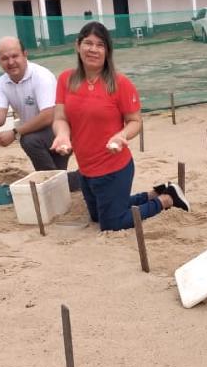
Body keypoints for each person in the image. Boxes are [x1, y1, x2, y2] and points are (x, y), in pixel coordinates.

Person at [50, 21, 189, 231]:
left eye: (100, 45)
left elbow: (135, 122)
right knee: (97, 216)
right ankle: (154, 193)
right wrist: (61, 135)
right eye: (88, 43)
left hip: (113, 167)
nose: (93, 50)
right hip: (86, 169)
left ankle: (166, 200)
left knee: (111, 223)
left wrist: (121, 135)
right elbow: (60, 117)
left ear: (107, 51)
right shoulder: (65, 79)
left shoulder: (120, 83)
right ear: (77, 46)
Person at [0, 35, 79, 190]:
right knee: (57, 174)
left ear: (25, 54)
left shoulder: (41, 76)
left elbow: (49, 115)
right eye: (5, 58)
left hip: (63, 129)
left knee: (30, 141)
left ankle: (57, 184)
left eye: (15, 56)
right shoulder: (2, 83)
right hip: (41, 132)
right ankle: (78, 180)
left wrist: (14, 132)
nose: (11, 62)